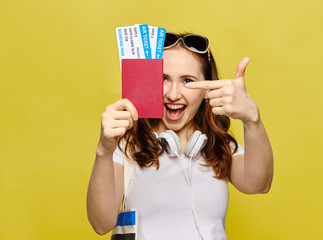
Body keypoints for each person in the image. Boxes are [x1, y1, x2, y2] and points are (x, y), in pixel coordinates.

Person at [87, 32, 273, 239]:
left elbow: (260, 184)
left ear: (207, 89)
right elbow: (101, 224)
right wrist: (104, 150)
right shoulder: (126, 148)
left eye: (187, 81)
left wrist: (252, 119)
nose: (174, 94)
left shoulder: (219, 147)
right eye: (163, 79)